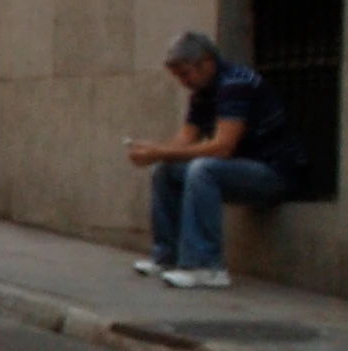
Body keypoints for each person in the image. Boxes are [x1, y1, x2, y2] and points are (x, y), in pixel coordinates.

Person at [127, 30, 304, 289]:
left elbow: (222, 147)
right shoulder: (202, 92)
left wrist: (161, 152)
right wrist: (154, 150)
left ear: (206, 61)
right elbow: (184, 140)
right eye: (178, 76)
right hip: (240, 169)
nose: (183, 81)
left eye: (186, 74)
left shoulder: (236, 84)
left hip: (274, 173)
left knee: (203, 169)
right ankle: (168, 256)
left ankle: (206, 265)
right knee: (166, 170)